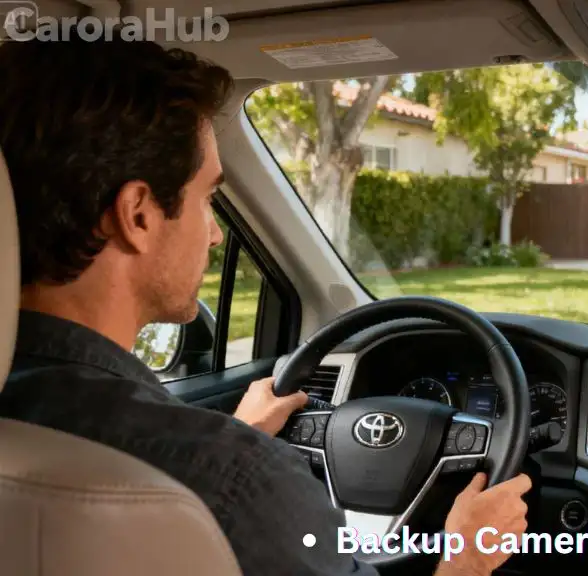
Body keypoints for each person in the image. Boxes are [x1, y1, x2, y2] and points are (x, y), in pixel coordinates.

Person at [0, 32, 530, 576]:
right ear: (137, 215)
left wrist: (241, 437)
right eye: (209, 199)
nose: (213, 235)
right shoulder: (242, 482)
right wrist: (464, 559)